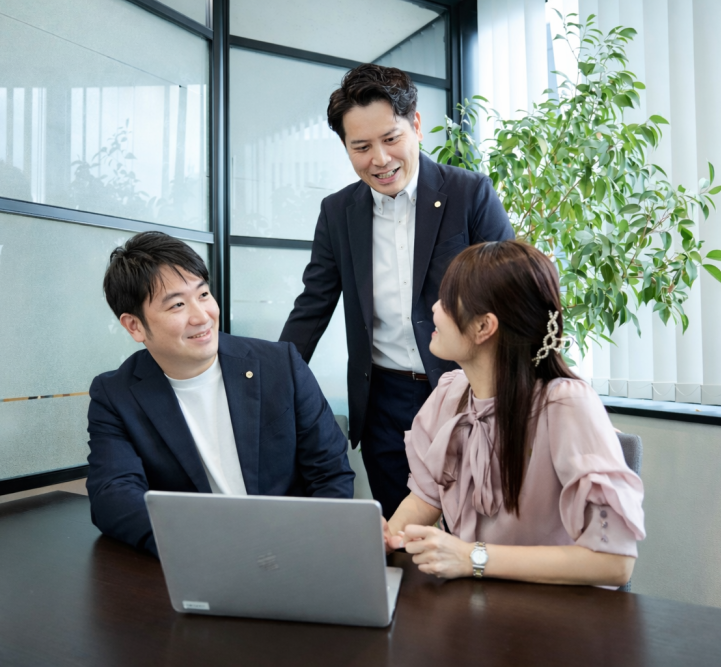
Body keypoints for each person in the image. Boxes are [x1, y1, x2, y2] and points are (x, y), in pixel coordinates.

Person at [279, 64, 514, 519]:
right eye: (361, 147)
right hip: (382, 399)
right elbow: (313, 305)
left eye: (391, 139)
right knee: (397, 534)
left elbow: (512, 293)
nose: (380, 159)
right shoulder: (338, 212)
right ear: (346, 147)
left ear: (416, 125)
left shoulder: (469, 194)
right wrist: (269, 381)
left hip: (466, 389)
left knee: (474, 525)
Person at [383, 240, 645, 587]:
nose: (433, 308)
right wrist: (387, 537)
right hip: (474, 604)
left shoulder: (565, 405)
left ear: (484, 327)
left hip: (552, 609)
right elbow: (424, 499)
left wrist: (471, 557)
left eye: (446, 301)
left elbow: (615, 563)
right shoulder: (449, 393)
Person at [86, 231, 354, 556]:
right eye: (177, 305)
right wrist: (206, 545)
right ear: (134, 326)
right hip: (202, 555)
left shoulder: (279, 365)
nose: (201, 316)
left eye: (203, 294)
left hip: (294, 549)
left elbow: (330, 473)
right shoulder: (115, 395)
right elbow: (113, 495)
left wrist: (316, 545)